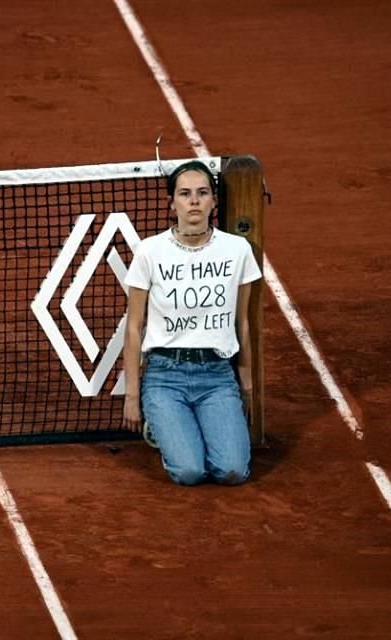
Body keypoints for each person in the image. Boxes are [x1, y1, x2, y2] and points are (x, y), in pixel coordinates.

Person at [122, 160, 262, 486]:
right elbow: (134, 326)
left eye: (202, 193)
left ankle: (192, 426)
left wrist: (248, 386)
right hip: (164, 377)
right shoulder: (149, 252)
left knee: (232, 472)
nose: (194, 201)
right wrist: (132, 396)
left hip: (217, 376)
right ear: (172, 203)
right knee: (189, 472)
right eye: (185, 194)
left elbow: (242, 321)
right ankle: (162, 422)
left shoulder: (237, 251)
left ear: (214, 200)